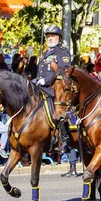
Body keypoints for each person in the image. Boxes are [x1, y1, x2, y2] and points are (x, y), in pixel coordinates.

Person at [36, 26, 72, 155]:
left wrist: (46, 80)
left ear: (59, 38)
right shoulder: (45, 53)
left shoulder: (63, 52)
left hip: (54, 89)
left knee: (58, 113)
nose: (50, 38)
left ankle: (66, 141)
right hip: (40, 88)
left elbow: (64, 71)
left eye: (53, 36)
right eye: (48, 36)